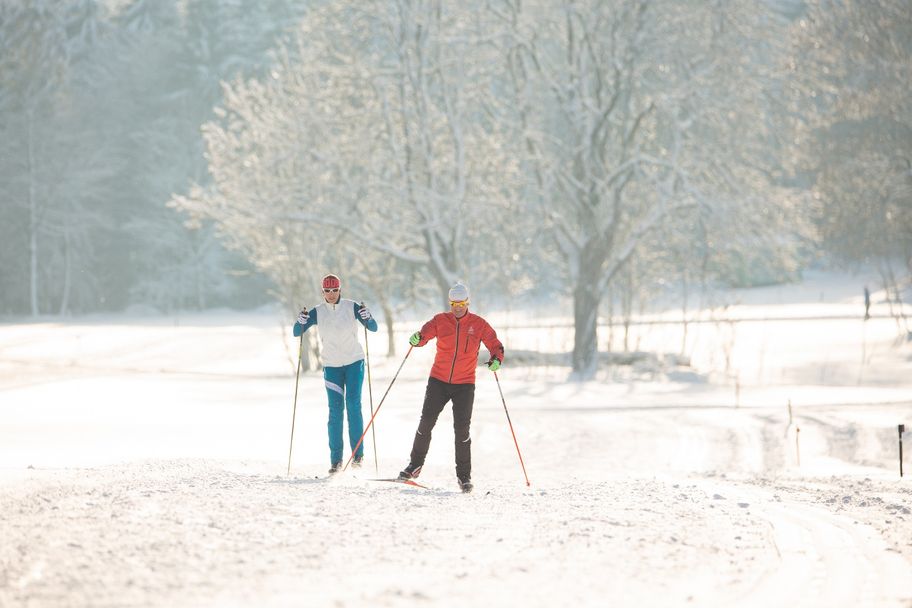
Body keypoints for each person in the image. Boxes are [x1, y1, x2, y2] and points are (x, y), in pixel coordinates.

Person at [398, 282, 504, 493]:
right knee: (426, 423)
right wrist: (417, 340)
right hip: (438, 380)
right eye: (454, 303)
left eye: (462, 303)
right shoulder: (440, 320)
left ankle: (464, 477)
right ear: (450, 302)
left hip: (465, 384)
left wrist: (496, 359)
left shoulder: (478, 324)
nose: (458, 307)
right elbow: (423, 335)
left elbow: (495, 344)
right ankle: (414, 466)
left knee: (462, 430)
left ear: (468, 302)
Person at [293, 274, 378, 474]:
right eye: (327, 291)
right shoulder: (318, 311)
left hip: (354, 362)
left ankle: (358, 456)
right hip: (331, 366)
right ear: (322, 292)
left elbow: (373, 328)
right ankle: (336, 461)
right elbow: (297, 332)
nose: (331, 294)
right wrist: (300, 320)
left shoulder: (352, 307)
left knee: (353, 406)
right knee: (335, 411)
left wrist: (368, 317)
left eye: (335, 290)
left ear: (340, 290)